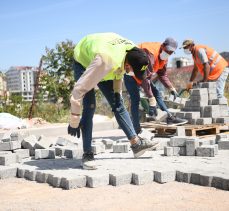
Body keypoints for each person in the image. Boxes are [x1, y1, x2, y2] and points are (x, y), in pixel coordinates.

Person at [67, 32, 158, 170]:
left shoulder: (134, 52)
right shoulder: (104, 61)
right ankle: (87, 154)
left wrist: (117, 92)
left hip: (107, 58)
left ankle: (136, 144)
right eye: (133, 71)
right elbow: (78, 92)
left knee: (118, 103)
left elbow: (119, 72)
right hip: (84, 60)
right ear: (128, 65)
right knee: (90, 106)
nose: (133, 74)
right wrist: (74, 121)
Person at [124, 38, 188, 134]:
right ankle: (136, 130)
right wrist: (151, 100)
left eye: (171, 52)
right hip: (131, 75)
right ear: (162, 45)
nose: (168, 53)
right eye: (167, 51)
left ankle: (169, 117)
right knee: (135, 100)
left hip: (144, 75)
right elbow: (144, 78)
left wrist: (171, 88)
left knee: (157, 92)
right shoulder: (150, 54)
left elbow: (162, 74)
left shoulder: (164, 58)